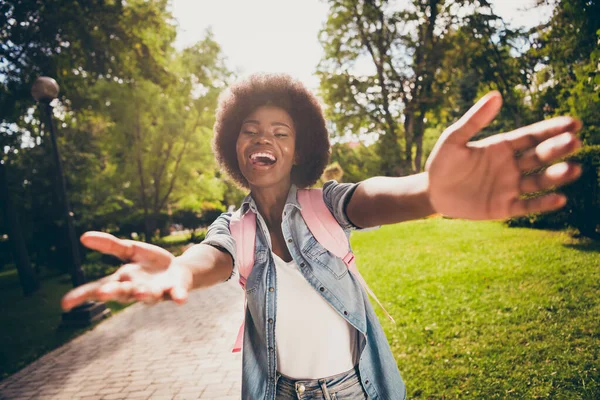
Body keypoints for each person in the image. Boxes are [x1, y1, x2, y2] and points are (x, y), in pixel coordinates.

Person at [62, 74, 583, 399]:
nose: (263, 137)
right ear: (234, 146)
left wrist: (429, 192)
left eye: (280, 132)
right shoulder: (234, 227)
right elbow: (209, 258)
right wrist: (177, 270)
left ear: (297, 150)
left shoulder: (324, 203)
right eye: (250, 128)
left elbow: (374, 197)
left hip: (355, 389)